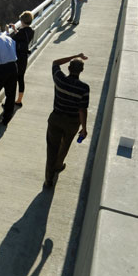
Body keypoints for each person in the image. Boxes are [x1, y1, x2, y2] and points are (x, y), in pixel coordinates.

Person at [44, 53, 90, 188]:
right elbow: (82, 110)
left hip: (56, 118)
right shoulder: (84, 88)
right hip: (72, 122)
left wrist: (74, 56)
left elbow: (55, 62)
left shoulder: (60, 79)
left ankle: (49, 179)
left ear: (69, 68)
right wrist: (84, 128)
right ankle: (58, 165)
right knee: (65, 145)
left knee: (52, 149)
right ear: (82, 70)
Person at [10, 11, 35, 106]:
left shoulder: (21, 32)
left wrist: (8, 32)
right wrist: (16, 30)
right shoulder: (31, 31)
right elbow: (22, 38)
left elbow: (11, 40)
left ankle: (10, 101)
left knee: (13, 79)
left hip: (17, 57)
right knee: (21, 78)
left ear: (23, 21)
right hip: (24, 57)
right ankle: (19, 100)